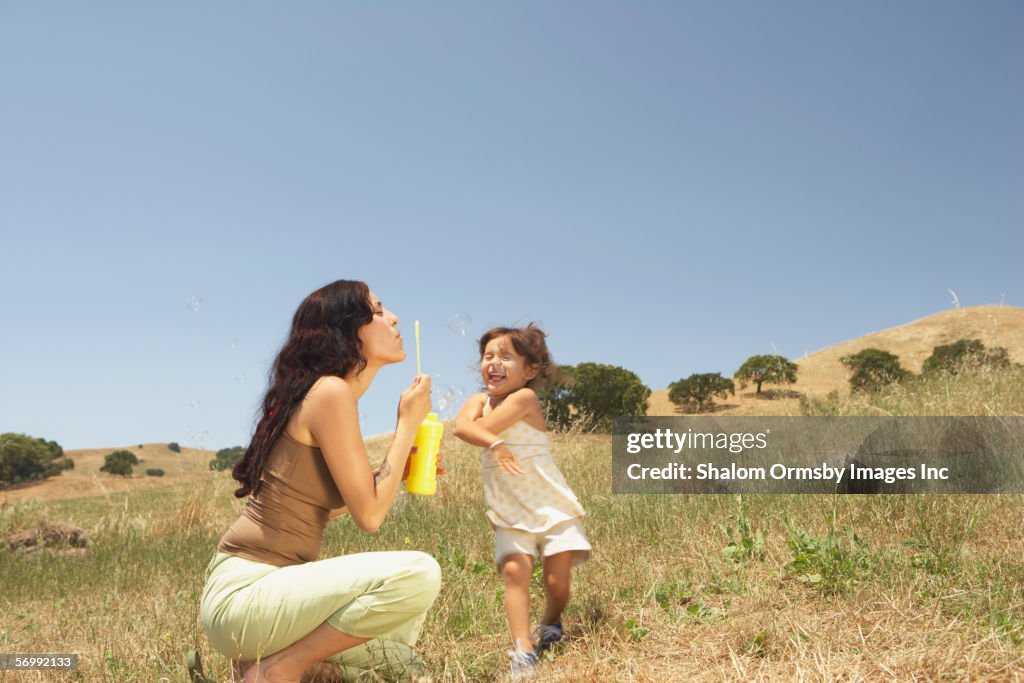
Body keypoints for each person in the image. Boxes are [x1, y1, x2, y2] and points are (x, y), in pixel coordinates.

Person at [194, 279, 441, 683]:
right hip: (246, 595)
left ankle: (264, 664)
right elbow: (370, 516)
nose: (393, 318)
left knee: (402, 664)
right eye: (377, 311)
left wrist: (403, 465)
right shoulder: (330, 392)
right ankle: (279, 670)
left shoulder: (326, 395)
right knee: (419, 573)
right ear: (348, 330)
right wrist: (408, 425)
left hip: (266, 600)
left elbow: (344, 501)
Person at [453, 324, 591, 677]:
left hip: (549, 503)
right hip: (509, 506)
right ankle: (523, 649)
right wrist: (494, 445)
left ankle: (551, 619)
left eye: (506, 357)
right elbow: (461, 428)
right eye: (488, 357)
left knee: (557, 583)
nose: (494, 363)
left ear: (530, 370)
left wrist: (490, 439)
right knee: (515, 571)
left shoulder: (524, 399)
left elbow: (482, 428)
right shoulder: (477, 401)